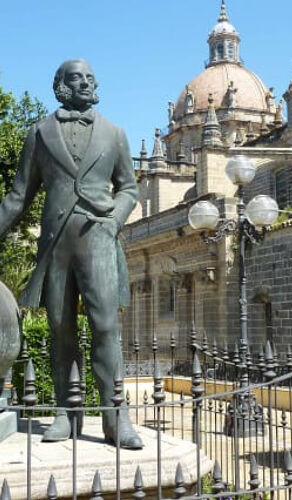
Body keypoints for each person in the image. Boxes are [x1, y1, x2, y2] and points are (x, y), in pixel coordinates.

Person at [0, 59, 143, 449]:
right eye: (75, 77)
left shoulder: (115, 134)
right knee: (60, 331)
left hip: (99, 238)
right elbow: (17, 197)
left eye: (90, 78)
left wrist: (114, 220)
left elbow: (129, 188)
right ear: (60, 85)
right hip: (57, 244)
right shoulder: (39, 133)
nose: (84, 82)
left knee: (106, 328)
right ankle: (65, 414)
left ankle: (116, 419)